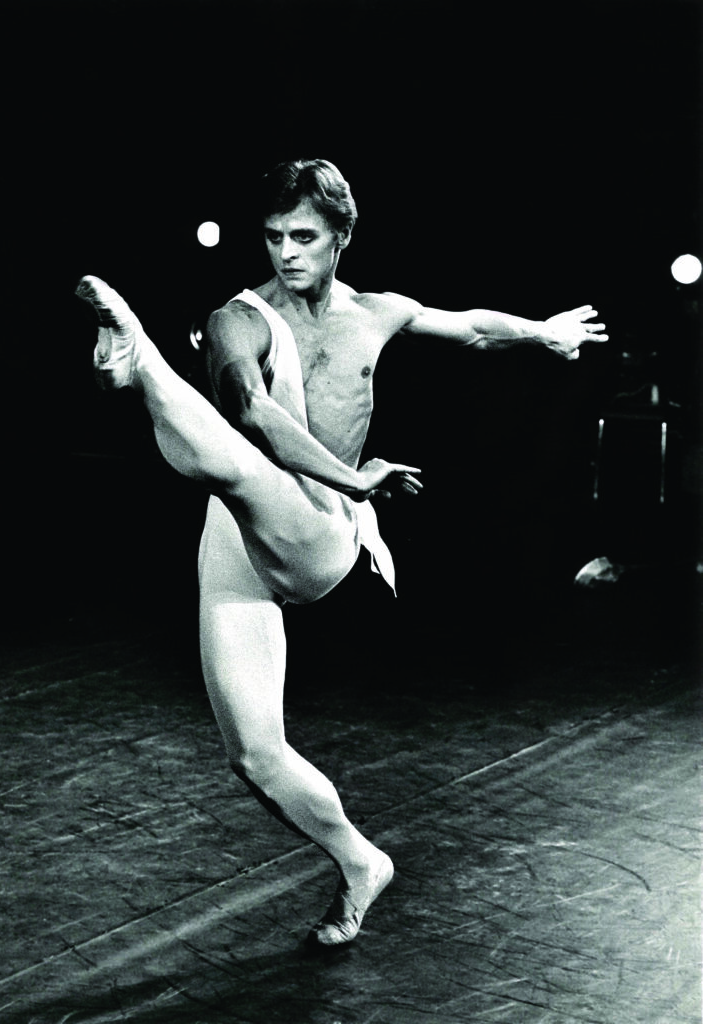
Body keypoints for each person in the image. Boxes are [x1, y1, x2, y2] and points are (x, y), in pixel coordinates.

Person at [76, 157, 607, 948]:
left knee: (231, 466)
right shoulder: (239, 319)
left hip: (321, 534)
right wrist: (356, 477)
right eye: (273, 236)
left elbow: (469, 328)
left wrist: (544, 332)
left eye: (304, 237)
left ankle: (140, 363)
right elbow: (251, 412)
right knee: (254, 754)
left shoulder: (375, 313)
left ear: (341, 237)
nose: (286, 252)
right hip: (250, 530)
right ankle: (360, 862)